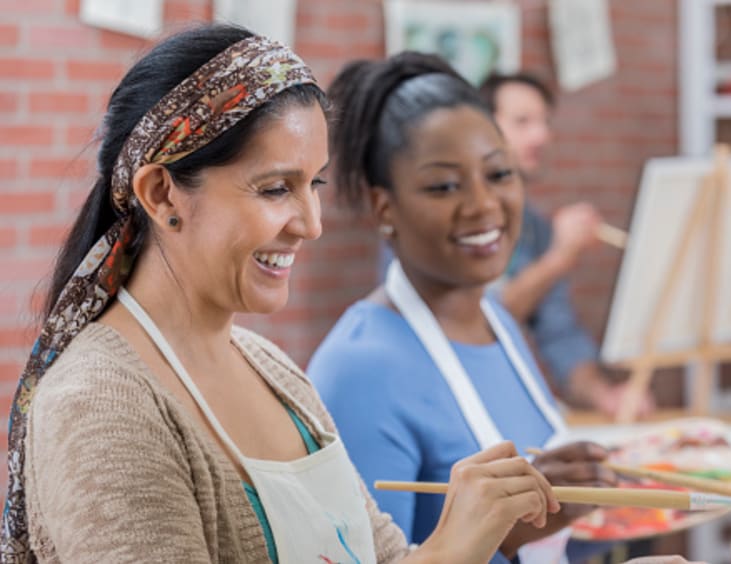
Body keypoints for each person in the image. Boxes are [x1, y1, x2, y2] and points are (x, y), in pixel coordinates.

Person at [1, 25, 564, 563]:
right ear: (161, 193)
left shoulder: (271, 369)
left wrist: (465, 532)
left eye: (313, 183)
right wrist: (447, 555)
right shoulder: (99, 404)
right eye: (275, 188)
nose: (311, 223)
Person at [308, 52, 627, 564]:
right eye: (444, 186)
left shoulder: (497, 322)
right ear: (383, 207)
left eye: (499, 174)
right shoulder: (360, 371)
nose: (483, 205)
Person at [477, 73, 655, 418]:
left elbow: (561, 337)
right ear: (480, 128)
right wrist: (559, 258)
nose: (542, 135)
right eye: (522, 122)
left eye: (544, 122)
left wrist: (605, 395)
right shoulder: (442, 221)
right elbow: (474, 324)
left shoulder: (535, 229)